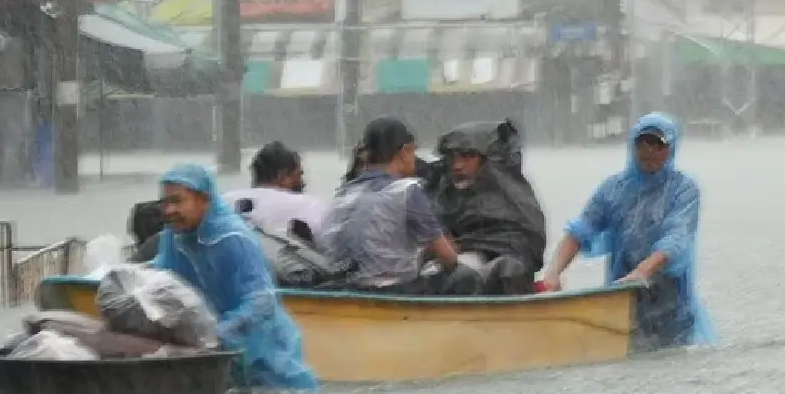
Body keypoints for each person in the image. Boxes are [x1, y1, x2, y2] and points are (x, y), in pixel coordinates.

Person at [537, 113, 714, 350]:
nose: (649, 150)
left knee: (667, 354)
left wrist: (643, 271)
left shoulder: (684, 190)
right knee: (627, 350)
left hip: (669, 291)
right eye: (643, 142)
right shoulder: (614, 188)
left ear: (670, 149)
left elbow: (675, 239)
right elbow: (580, 231)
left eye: (657, 144)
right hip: (623, 288)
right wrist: (553, 273)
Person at [149, 164, 318, 391]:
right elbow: (162, 281)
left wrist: (220, 333)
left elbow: (262, 300)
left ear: (204, 200)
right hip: (214, 357)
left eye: (177, 201)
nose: (169, 210)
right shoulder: (174, 238)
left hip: (264, 355)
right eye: (165, 203)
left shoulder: (234, 238)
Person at [321, 118, 478, 295]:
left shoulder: (344, 192)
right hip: (391, 289)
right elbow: (448, 258)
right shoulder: (406, 190)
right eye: (413, 153)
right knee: (465, 274)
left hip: (343, 288)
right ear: (405, 152)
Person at [430, 120, 547, 295]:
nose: (457, 165)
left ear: (488, 159)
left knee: (509, 269)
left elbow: (527, 243)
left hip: (497, 270)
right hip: (452, 265)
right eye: (453, 157)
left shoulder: (515, 199)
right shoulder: (442, 192)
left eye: (467, 156)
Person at [226, 141, 331, 243]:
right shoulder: (309, 206)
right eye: (299, 175)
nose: (303, 183)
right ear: (282, 176)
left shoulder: (224, 202)